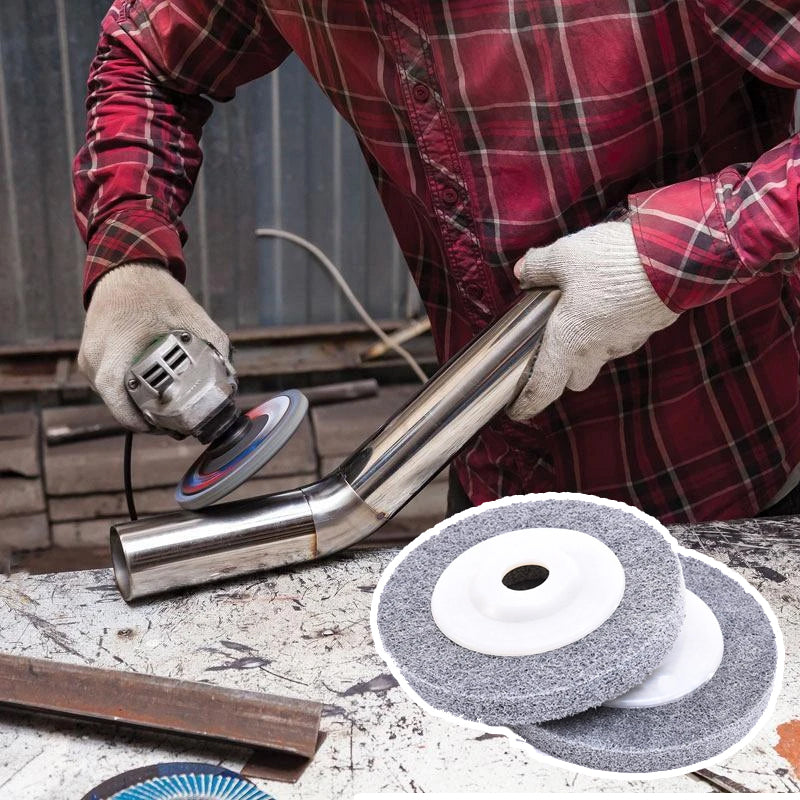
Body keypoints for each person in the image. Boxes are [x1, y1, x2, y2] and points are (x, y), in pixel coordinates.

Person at [75, 0, 800, 524]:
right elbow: (146, 59)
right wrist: (129, 256)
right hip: (491, 466)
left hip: (730, 464)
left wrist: (679, 250)